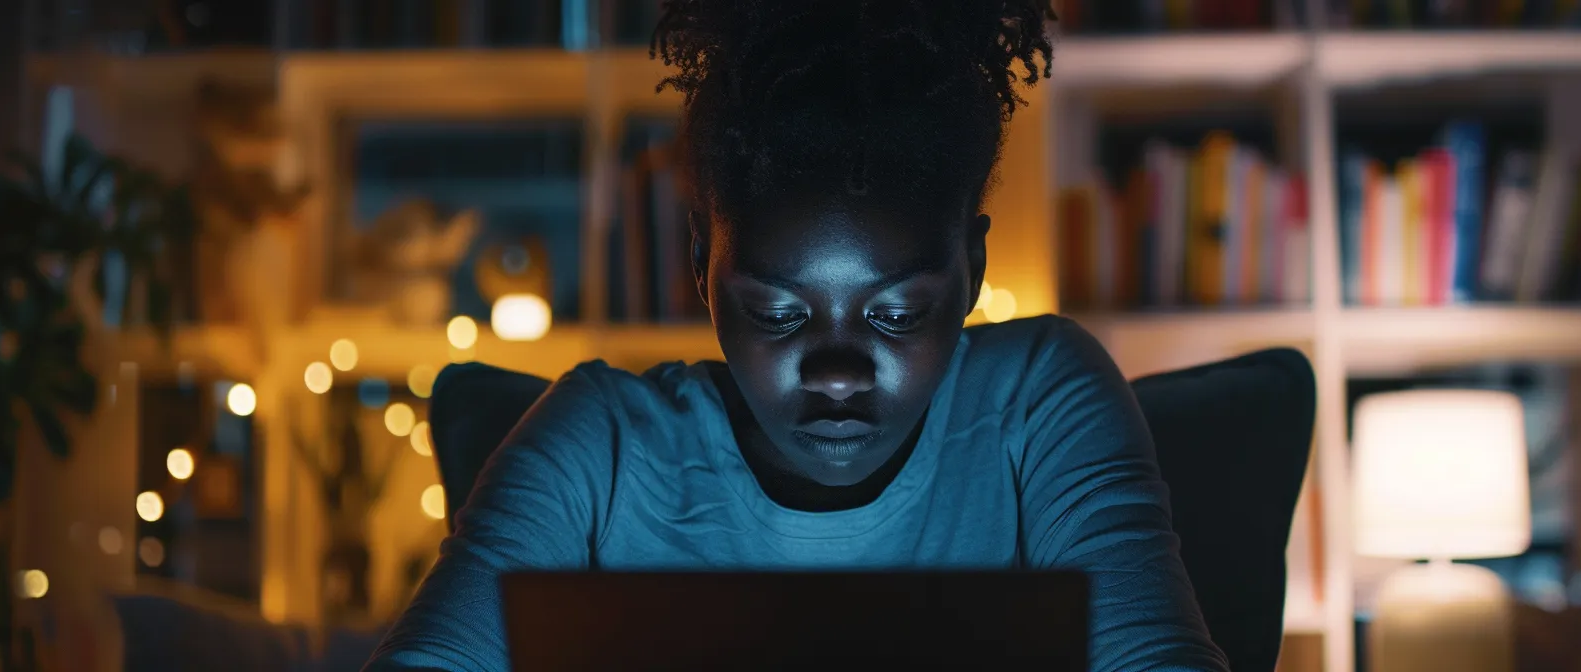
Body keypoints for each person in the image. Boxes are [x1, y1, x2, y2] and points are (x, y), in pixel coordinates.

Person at [365, 1, 1227, 670]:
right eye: (779, 314)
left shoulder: (1042, 398)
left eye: (897, 313)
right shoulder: (600, 442)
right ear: (702, 266)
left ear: (970, 265)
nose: (842, 373)